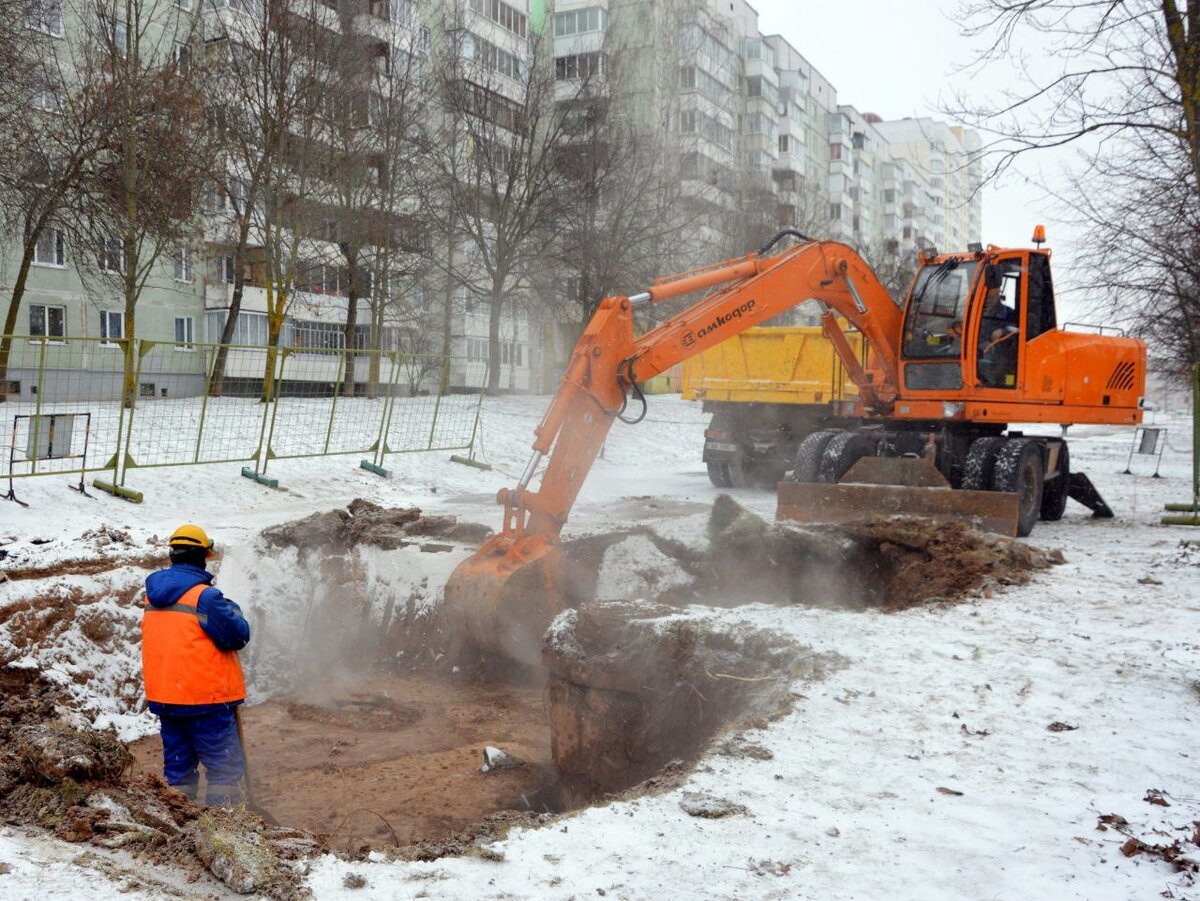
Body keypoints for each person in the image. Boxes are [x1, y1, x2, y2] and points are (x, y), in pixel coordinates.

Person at [141, 524, 250, 806]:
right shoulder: (205, 597)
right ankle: (225, 826)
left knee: (178, 767)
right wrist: (232, 610)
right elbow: (237, 635)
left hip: (167, 696)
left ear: (173, 555)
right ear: (203, 556)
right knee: (223, 768)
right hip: (206, 698)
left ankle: (180, 821)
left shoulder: (152, 595)